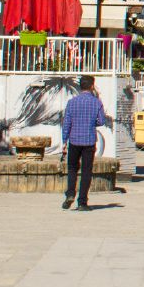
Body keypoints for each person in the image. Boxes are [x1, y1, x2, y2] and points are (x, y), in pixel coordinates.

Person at [61, 75, 105, 212]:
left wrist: (64, 141)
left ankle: (70, 193)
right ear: (92, 86)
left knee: (72, 168)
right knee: (86, 171)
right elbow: (101, 121)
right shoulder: (96, 102)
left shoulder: (72, 102)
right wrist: (91, 122)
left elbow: (67, 123)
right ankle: (82, 202)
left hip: (74, 139)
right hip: (89, 140)